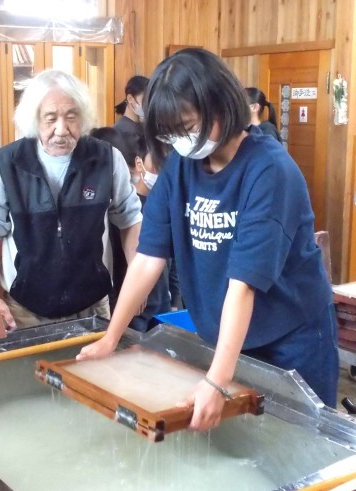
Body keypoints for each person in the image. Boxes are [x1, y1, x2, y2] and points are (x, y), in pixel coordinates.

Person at [78, 48, 338, 432]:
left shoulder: (269, 170)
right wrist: (111, 337)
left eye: (187, 125)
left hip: (290, 339)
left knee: (294, 445)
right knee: (237, 445)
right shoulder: (180, 167)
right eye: (169, 133)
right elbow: (148, 258)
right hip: (228, 337)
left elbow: (243, 284)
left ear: (220, 106)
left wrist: (216, 382)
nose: (180, 140)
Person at [0, 69, 142, 330]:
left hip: (92, 306)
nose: (61, 130)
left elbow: (130, 218)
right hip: (25, 309)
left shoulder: (107, 159)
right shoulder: (6, 165)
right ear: (34, 119)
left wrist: (137, 278)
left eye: (71, 117)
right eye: (50, 118)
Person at [90, 126, 181, 331]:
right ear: (138, 162)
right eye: (157, 163)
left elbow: (173, 258)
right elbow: (114, 263)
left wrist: (175, 300)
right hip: (132, 308)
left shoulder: (165, 205)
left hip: (161, 305)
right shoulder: (117, 213)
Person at [113, 75, 149, 152]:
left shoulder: (142, 126)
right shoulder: (122, 131)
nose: (147, 105)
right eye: (144, 100)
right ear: (130, 99)